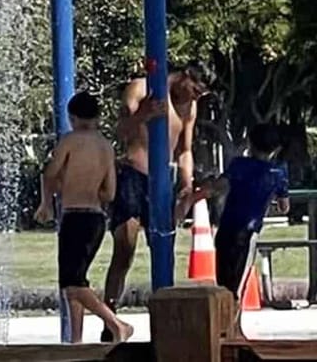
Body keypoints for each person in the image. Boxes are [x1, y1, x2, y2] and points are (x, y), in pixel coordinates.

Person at [101, 62, 209, 341]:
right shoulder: (140, 88)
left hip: (162, 181)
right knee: (124, 247)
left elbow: (184, 150)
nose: (194, 97)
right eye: (194, 90)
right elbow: (121, 132)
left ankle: (167, 320)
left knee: (163, 249)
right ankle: (110, 317)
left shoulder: (189, 108)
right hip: (131, 173)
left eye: (199, 95)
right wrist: (143, 114)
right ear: (185, 76)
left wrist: (186, 183)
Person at [35, 91, 134, 344]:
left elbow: (50, 173)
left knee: (71, 283)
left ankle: (116, 324)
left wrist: (47, 202)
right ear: (98, 117)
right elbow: (109, 193)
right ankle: (75, 341)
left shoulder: (70, 141)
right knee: (75, 281)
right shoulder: (105, 146)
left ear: (72, 117)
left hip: (74, 216)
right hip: (96, 219)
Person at [189, 123, 289, 335]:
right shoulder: (278, 173)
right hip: (249, 231)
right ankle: (234, 328)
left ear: (250, 144)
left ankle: (223, 327)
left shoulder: (238, 165)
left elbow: (219, 187)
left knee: (223, 281)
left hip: (227, 227)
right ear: (276, 148)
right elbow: (284, 206)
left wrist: (197, 193)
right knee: (239, 283)